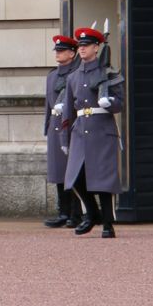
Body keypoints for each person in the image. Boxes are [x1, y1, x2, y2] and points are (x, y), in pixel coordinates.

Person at [61, 26, 124, 238]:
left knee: (103, 180)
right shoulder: (73, 77)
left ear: (97, 48)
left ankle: (107, 223)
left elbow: (120, 103)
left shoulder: (108, 72)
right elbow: (68, 111)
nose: (82, 49)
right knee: (74, 178)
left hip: (102, 129)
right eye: (80, 45)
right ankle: (92, 213)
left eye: (86, 45)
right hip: (80, 130)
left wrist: (110, 102)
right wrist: (64, 138)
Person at [43, 34, 80, 228]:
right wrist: (47, 126)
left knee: (72, 171)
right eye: (57, 50)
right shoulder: (51, 76)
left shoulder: (76, 74)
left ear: (72, 53)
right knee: (58, 171)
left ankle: (76, 213)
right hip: (55, 127)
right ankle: (63, 212)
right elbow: (48, 105)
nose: (58, 54)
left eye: (62, 50)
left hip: (71, 125)